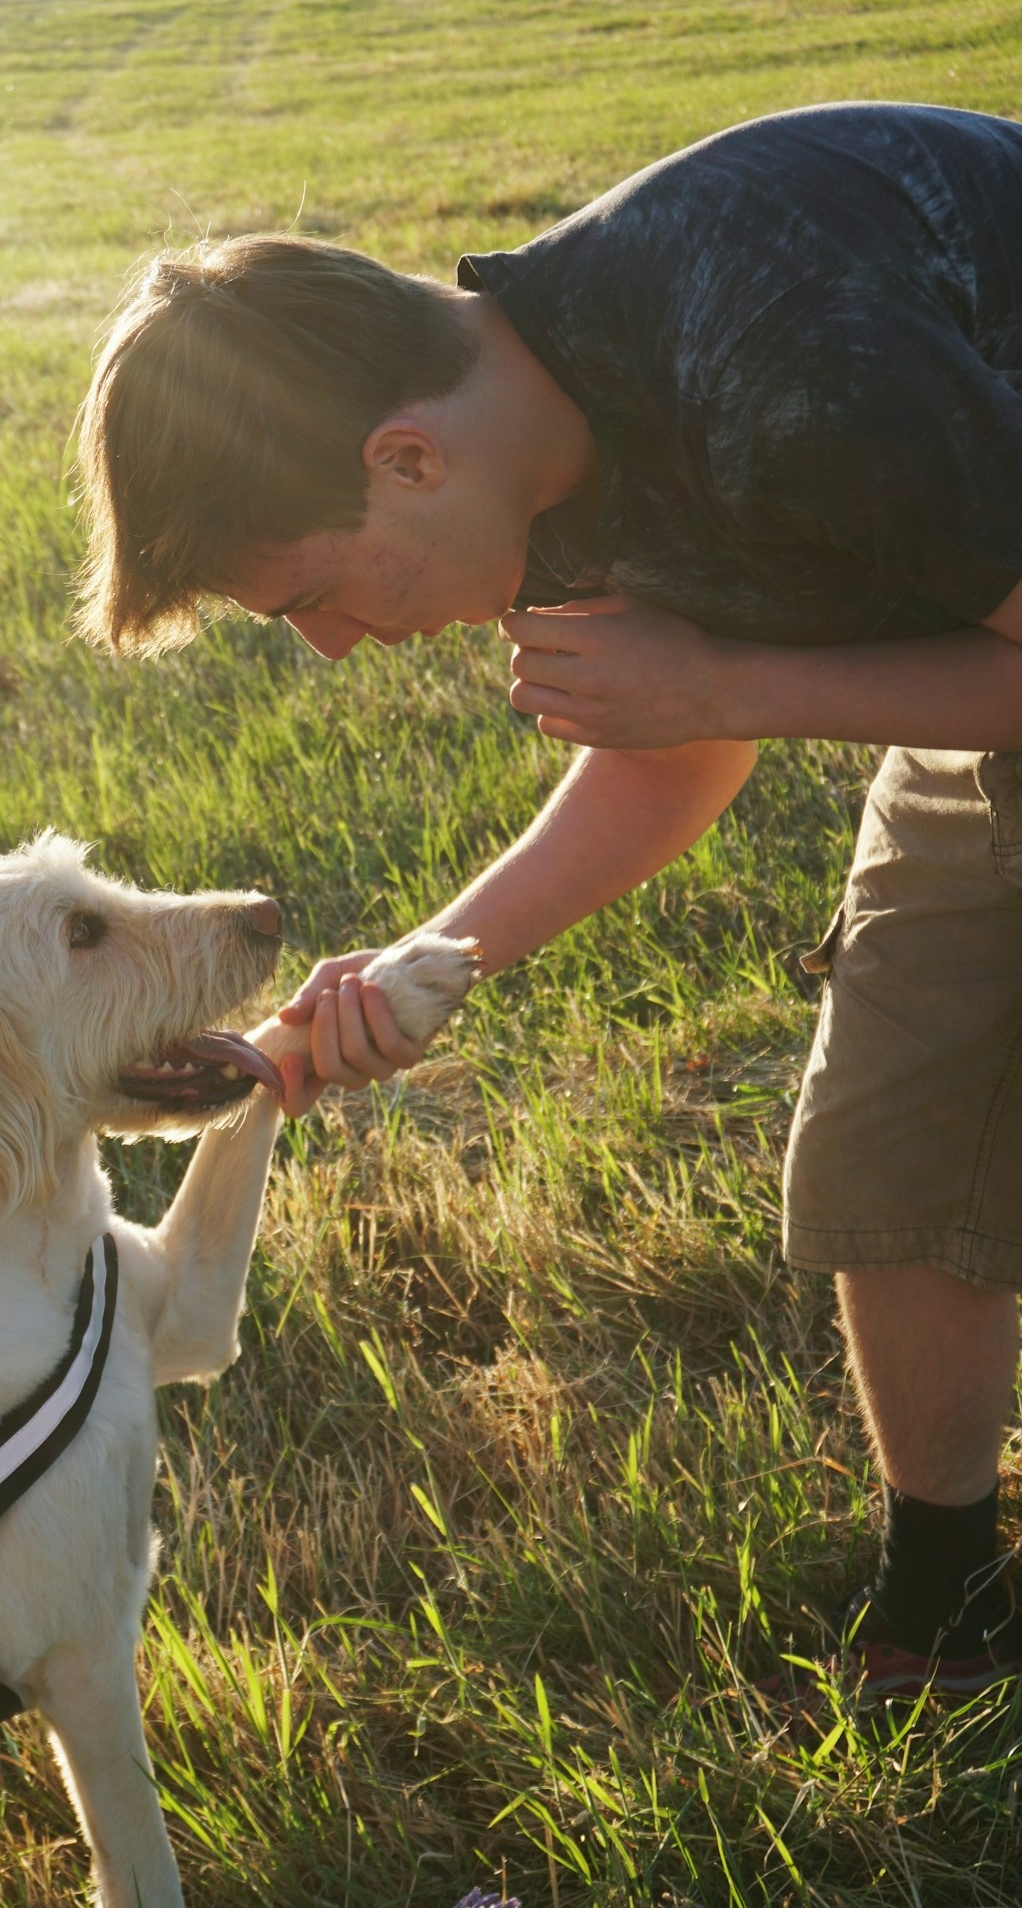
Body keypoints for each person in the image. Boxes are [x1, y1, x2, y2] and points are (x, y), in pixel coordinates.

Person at [73, 101, 1022, 1703]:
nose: (331, 648)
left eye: (309, 595)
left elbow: (713, 694)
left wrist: (725, 672)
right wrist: (434, 955)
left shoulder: (773, 350)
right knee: (893, 1128)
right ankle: (953, 1602)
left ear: (405, 457)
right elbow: (672, 755)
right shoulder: (538, 449)